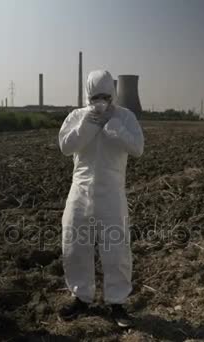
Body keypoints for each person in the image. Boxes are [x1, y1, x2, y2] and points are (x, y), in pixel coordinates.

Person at [57, 70, 144, 327]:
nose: (101, 101)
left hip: (112, 193)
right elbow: (65, 146)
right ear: (88, 96)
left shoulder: (124, 117)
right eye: (96, 96)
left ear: (114, 93)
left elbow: (138, 148)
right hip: (80, 192)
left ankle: (117, 303)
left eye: (106, 96)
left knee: (116, 249)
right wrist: (89, 124)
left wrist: (114, 128)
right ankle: (81, 297)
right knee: (74, 245)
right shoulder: (77, 117)